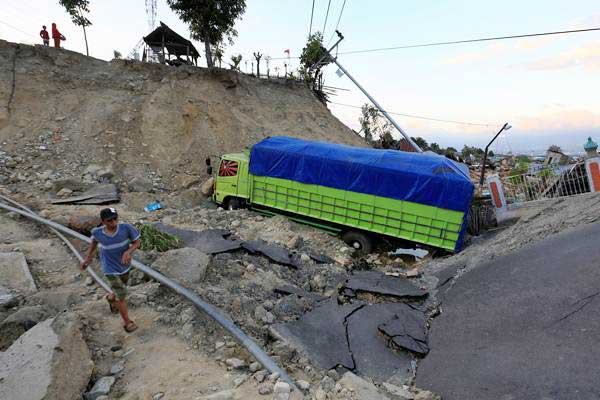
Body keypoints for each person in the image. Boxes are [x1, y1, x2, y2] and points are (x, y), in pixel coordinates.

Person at [81, 208, 141, 332]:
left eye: (115, 219)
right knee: (122, 296)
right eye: (110, 220)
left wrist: (128, 252)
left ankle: (110, 298)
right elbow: (93, 243)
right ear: (103, 222)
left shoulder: (126, 228)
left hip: (124, 266)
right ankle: (127, 323)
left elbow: (137, 242)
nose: (114, 223)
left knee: (120, 289)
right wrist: (87, 259)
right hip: (109, 268)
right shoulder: (97, 233)